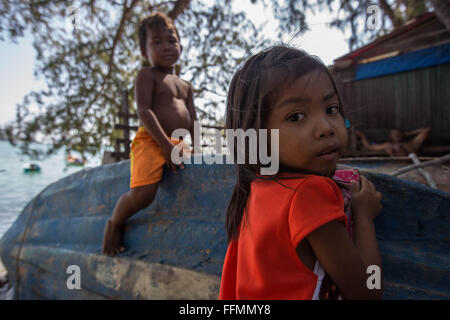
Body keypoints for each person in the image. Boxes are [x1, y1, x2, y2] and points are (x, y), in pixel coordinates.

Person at [219, 46, 383, 300]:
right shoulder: (309, 194)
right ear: (257, 135)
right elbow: (368, 293)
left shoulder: (256, 189)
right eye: (296, 116)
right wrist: (364, 217)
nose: (326, 128)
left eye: (331, 109)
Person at [102, 12, 197, 256]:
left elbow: (193, 120)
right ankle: (114, 222)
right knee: (144, 194)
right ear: (144, 51)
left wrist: (196, 148)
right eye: (157, 42)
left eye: (171, 40)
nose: (166, 46)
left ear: (181, 46)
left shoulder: (185, 86)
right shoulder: (147, 75)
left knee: (196, 176)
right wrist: (165, 146)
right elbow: (144, 111)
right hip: (152, 141)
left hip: (177, 143)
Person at [356, 127, 431, 157]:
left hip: (411, 163)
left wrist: (408, 133)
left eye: (398, 133)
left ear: (402, 134)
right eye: (394, 134)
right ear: (390, 137)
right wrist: (362, 136)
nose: (396, 135)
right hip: (396, 165)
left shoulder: (412, 143)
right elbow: (370, 147)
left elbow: (427, 130)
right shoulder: (388, 145)